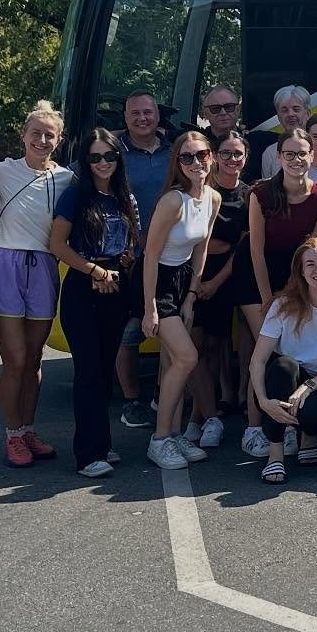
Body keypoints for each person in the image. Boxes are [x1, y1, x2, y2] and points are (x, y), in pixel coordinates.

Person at [0, 101, 74, 468]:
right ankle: (12, 434)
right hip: (6, 264)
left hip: (44, 266)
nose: (41, 140)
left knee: (35, 358)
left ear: (59, 140)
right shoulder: (1, 171)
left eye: (49, 135)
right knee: (15, 360)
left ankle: (27, 430)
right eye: (35, 133)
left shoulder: (66, 178)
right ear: (22, 135)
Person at [237, 128, 317, 457]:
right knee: (266, 352)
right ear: (279, 158)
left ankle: (291, 423)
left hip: (298, 274)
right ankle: (255, 428)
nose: (296, 160)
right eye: (289, 154)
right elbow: (256, 250)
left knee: (291, 352)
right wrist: (269, 299)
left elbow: (311, 248)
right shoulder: (261, 193)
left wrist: (293, 291)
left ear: (312, 155)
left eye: (302, 153)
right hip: (257, 274)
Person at [48, 129, 140, 478]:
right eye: (95, 157)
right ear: (85, 162)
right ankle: (88, 455)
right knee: (88, 371)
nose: (103, 163)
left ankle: (101, 443)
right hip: (83, 287)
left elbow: (130, 241)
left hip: (116, 286)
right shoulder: (75, 196)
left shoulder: (124, 197)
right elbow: (57, 245)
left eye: (110, 156)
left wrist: (124, 261)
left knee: (104, 372)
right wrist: (95, 271)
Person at [248, 238, 317, 480]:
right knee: (284, 366)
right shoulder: (282, 305)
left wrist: (307, 387)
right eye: (310, 264)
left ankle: (308, 435)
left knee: (315, 412)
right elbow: (257, 361)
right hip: (284, 380)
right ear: (300, 271)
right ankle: (275, 455)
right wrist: (263, 401)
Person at [140, 130, 222, 470]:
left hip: (181, 281)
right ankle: (160, 440)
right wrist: (150, 308)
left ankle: (173, 435)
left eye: (201, 155)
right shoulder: (173, 201)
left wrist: (190, 295)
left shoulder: (213, 198)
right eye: (186, 157)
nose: (195, 163)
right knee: (187, 357)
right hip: (155, 281)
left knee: (171, 362)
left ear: (211, 157)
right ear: (177, 163)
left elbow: (201, 249)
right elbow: (150, 255)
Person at [184, 128, 252, 450]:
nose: (232, 159)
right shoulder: (200, 189)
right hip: (192, 275)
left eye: (238, 153)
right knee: (191, 350)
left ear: (246, 158)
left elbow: (242, 248)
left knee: (214, 348)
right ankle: (200, 416)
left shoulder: (250, 196)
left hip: (226, 276)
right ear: (214, 157)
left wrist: (214, 283)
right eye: (225, 153)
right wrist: (197, 282)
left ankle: (203, 418)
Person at [115, 89, 172, 430]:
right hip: (130, 260)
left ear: (157, 115)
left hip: (172, 258)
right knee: (130, 333)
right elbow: (76, 178)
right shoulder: (112, 151)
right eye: (134, 113)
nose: (142, 118)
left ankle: (162, 396)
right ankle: (132, 401)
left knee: (171, 331)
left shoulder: (175, 151)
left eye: (147, 112)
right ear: (125, 118)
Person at [256, 85, 312, 179]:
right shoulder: (270, 153)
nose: (290, 114)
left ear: (308, 114)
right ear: (278, 117)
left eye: (296, 109)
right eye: (284, 110)